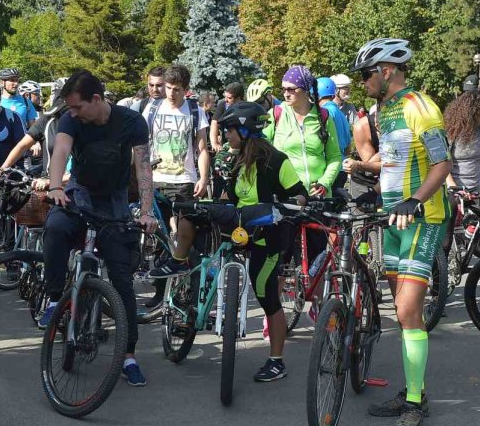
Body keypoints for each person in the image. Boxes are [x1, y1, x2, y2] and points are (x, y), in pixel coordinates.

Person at [353, 38, 450, 426]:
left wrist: (414, 200)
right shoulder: (384, 110)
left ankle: (415, 403)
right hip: (392, 218)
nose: (363, 82)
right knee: (401, 311)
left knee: (410, 309)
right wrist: (364, 168)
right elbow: (392, 162)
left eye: (366, 74)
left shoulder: (419, 107)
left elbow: (442, 163)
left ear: (386, 71)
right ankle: (414, 390)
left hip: (421, 218)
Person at [41, 70, 158, 386]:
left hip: (114, 204)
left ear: (96, 99)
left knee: (121, 280)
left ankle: (129, 356)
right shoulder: (71, 120)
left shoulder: (131, 122)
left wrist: (146, 212)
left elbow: (143, 167)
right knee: (54, 227)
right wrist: (55, 187)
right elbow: (61, 150)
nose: (73, 113)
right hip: (79, 196)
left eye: (78, 107)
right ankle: (54, 299)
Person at [219, 101, 309, 382]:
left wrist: (284, 207)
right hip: (238, 233)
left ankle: (276, 361)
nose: (226, 136)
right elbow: (228, 199)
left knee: (266, 294)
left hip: (268, 239)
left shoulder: (276, 160)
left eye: (230, 130)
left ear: (245, 131)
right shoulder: (236, 161)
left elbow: (300, 194)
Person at [139, 65, 211, 277]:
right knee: (159, 236)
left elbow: (202, 148)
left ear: (186, 89)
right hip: (156, 178)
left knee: (184, 231)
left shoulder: (195, 111)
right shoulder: (152, 109)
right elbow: (141, 145)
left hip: (183, 179)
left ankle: (189, 283)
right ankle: (160, 293)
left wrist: (203, 178)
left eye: (177, 89)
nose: (171, 93)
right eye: (168, 88)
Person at [267, 66, 343, 197]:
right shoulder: (276, 114)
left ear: (306, 90)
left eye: (291, 89)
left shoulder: (324, 116)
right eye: (283, 89)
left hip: (319, 196)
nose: (286, 93)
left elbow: (335, 157)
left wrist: (325, 182)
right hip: (287, 196)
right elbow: (259, 148)